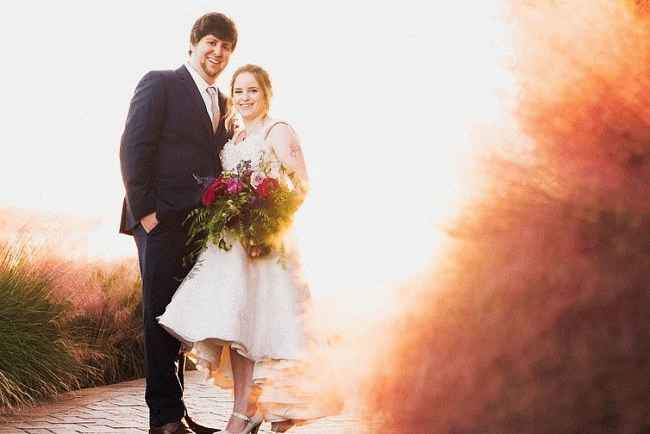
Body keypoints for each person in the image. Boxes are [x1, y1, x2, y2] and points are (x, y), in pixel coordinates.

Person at [158, 65, 330, 434]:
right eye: (238, 91)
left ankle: (259, 411)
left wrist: (267, 220)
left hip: (266, 246)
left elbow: (302, 185)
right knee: (238, 329)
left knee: (271, 330)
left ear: (266, 93)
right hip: (234, 248)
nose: (245, 98)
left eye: (252, 90)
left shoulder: (278, 130)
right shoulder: (235, 136)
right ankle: (246, 412)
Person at [119, 12, 237, 434]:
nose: (218, 52)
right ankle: (164, 418)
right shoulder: (161, 83)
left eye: (226, 47)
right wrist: (146, 214)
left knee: (178, 317)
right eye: (211, 43)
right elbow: (134, 147)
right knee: (157, 316)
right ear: (193, 44)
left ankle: (177, 410)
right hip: (159, 221)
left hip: (198, 227)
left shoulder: (224, 103)